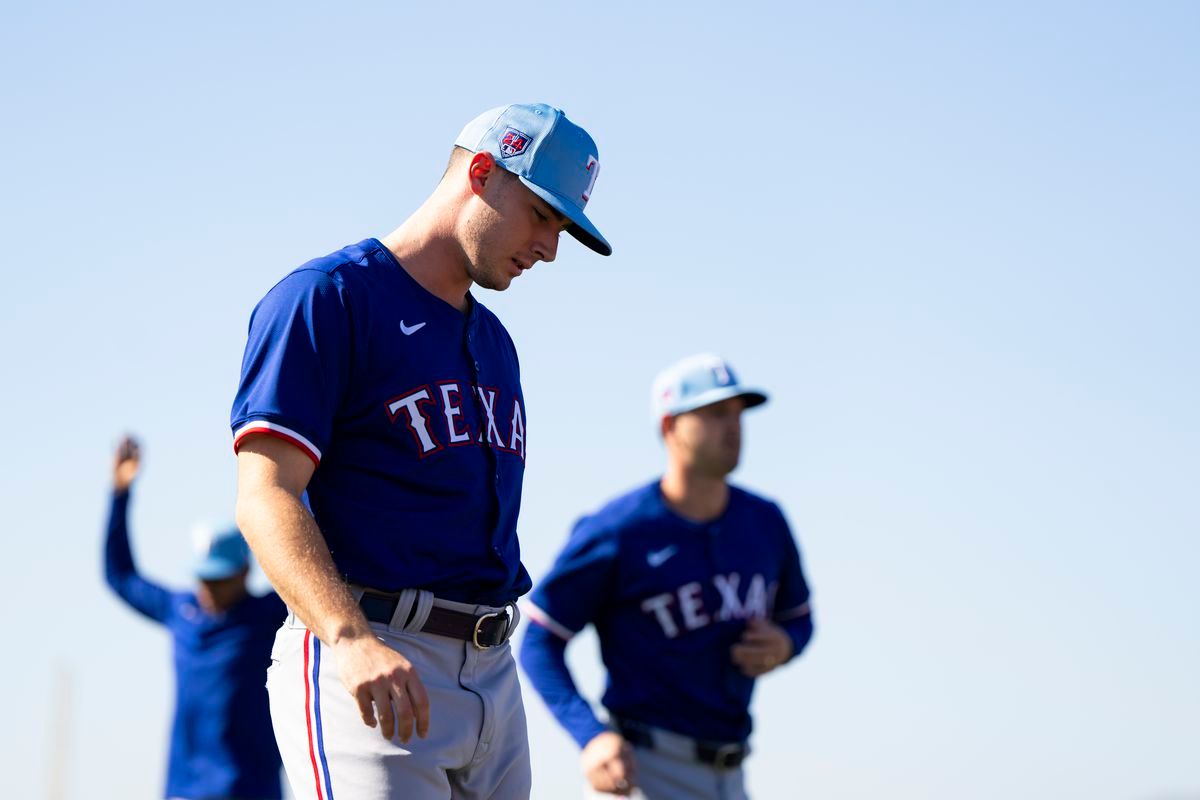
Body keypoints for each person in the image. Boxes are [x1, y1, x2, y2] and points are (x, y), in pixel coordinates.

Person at [229, 102, 611, 800]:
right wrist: (347, 640)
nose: (550, 249)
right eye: (542, 216)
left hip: (494, 672)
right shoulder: (327, 298)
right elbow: (265, 495)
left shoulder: (495, 342)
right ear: (484, 173)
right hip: (371, 655)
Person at [519, 354, 815, 799]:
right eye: (714, 413)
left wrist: (785, 643)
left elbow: (799, 618)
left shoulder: (765, 522)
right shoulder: (618, 529)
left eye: (738, 413)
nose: (733, 427)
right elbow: (539, 641)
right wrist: (590, 735)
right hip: (643, 770)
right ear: (669, 428)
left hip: (732, 773)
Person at [102, 435, 285, 800]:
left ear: (243, 571)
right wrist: (120, 495)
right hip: (184, 791)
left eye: (218, 578)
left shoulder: (268, 614)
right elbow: (121, 576)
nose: (208, 588)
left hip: (250, 790)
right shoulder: (179, 610)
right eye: (203, 577)